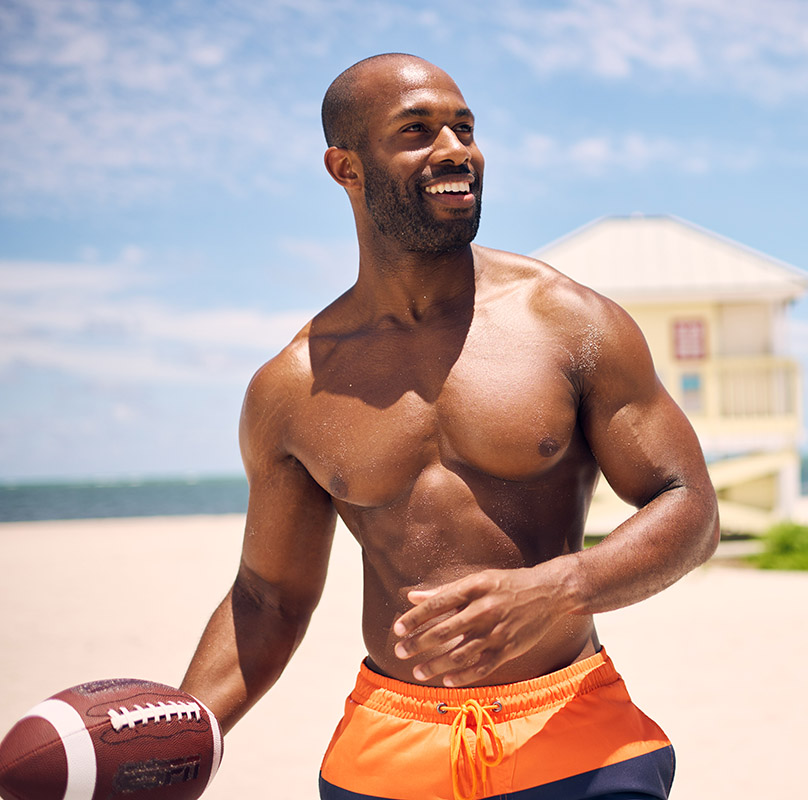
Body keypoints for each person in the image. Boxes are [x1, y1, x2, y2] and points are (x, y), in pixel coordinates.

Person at [180, 53, 719, 800]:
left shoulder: (569, 323)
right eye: (418, 130)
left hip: (571, 733)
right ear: (346, 168)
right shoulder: (292, 387)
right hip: (389, 750)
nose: (456, 148)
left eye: (464, 127)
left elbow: (689, 504)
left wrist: (563, 586)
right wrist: (181, 738)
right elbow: (268, 598)